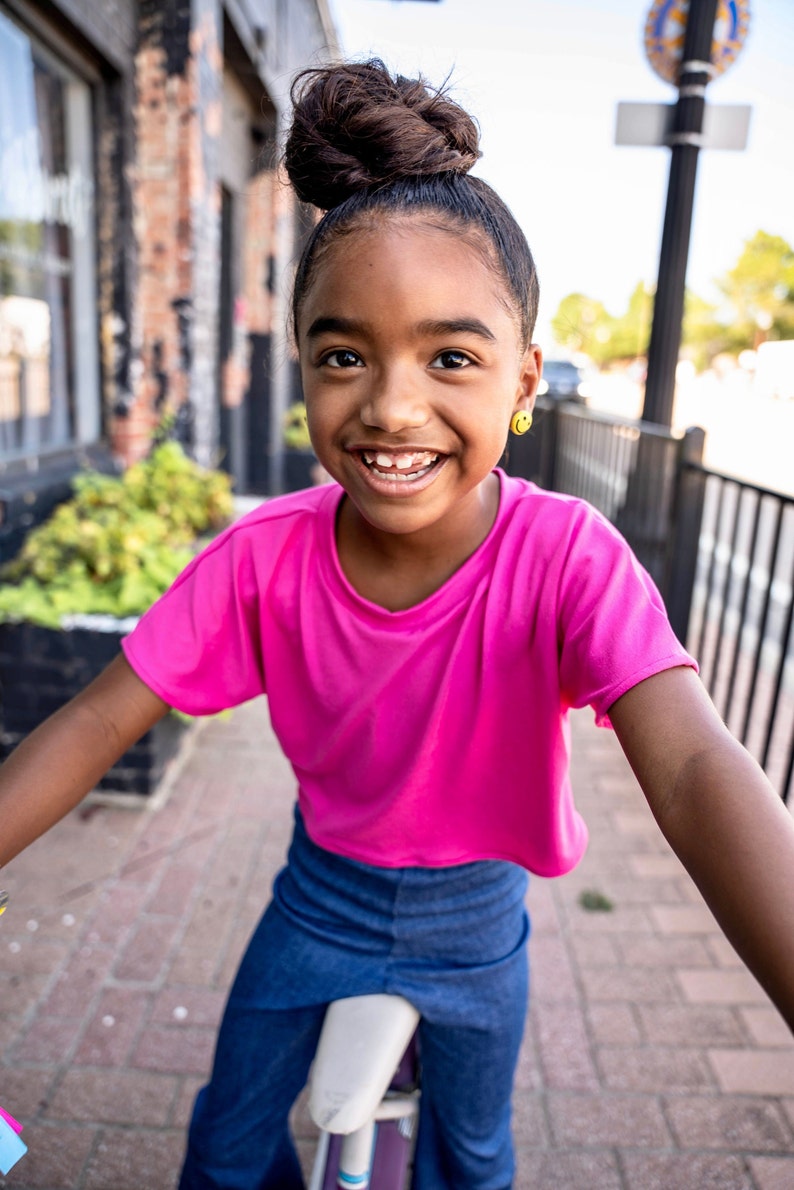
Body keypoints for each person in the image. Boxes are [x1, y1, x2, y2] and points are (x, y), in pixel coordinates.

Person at [1, 58, 793, 1190]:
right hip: (316, 894)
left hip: (479, 922)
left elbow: (693, 762)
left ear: (523, 379)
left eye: (450, 357)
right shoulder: (262, 556)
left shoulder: (568, 555)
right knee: (222, 1148)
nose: (389, 405)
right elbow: (93, 720)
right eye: (342, 355)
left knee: (471, 1159)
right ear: (303, 374)